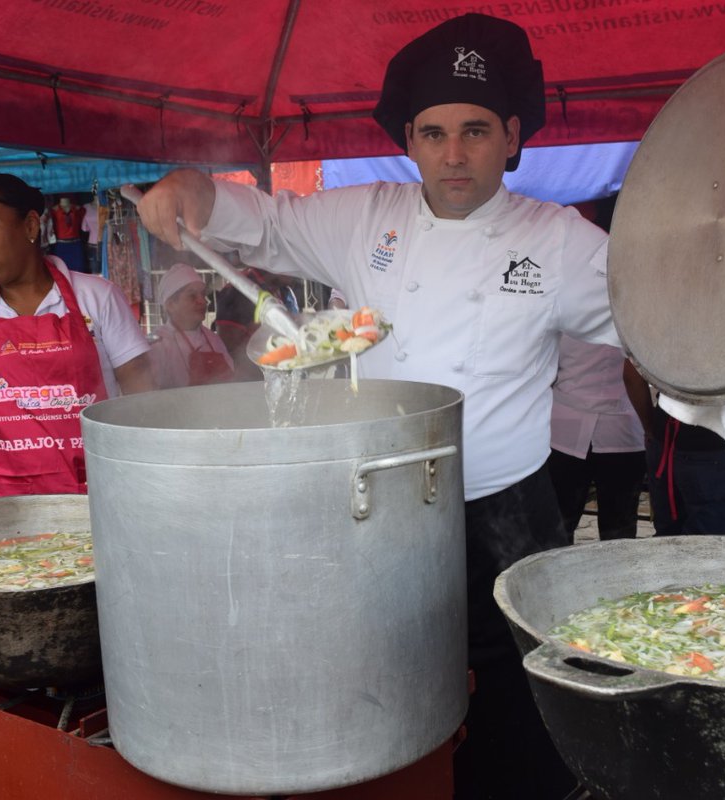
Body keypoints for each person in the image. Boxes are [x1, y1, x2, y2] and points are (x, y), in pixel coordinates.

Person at [136, 14, 618, 798]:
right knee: (386, 668)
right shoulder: (365, 217)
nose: (453, 155)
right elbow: (262, 223)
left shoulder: (561, 241)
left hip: (510, 508)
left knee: (524, 688)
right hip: (385, 498)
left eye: (474, 131)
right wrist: (190, 190)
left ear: (512, 135)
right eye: (432, 134)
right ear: (411, 139)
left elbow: (655, 319)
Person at [0, 173, 154, 505]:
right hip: (3, 504)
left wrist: (144, 470)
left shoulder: (96, 296)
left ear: (31, 226)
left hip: (101, 495)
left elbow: (143, 394)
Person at [549, 196, 646, 541]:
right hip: (622, 427)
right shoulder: (645, 284)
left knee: (558, 530)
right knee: (619, 532)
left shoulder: (567, 280)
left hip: (569, 426)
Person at [622, 362, 725, 535]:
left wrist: (650, 426)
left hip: (664, 436)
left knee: (667, 539)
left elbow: (632, 376)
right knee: (703, 549)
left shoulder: (657, 332)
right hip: (713, 446)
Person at [149, 262, 237, 389]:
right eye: (192, 296)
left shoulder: (213, 339)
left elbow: (232, 382)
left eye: (203, 294)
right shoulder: (158, 345)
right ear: (171, 304)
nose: (202, 301)